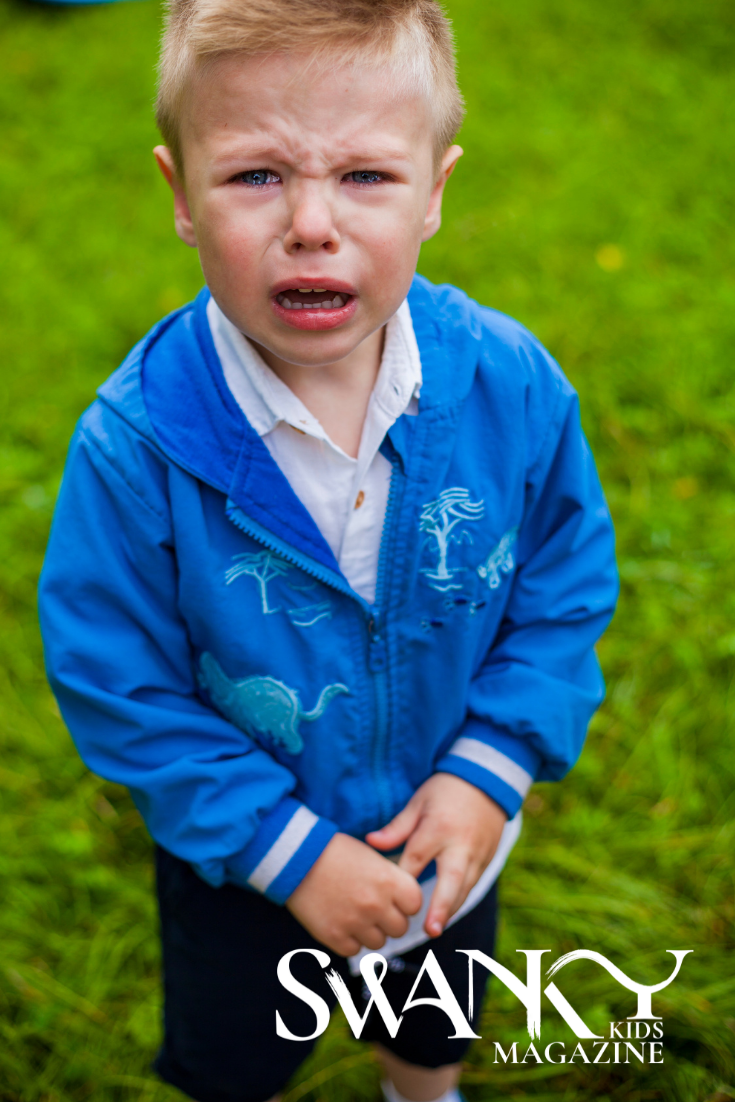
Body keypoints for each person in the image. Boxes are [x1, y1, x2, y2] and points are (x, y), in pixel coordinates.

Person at [38, 1, 618, 1100]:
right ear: (178, 193)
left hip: (444, 815)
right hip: (241, 857)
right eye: (256, 175)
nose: (312, 223)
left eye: (366, 177)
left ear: (438, 190)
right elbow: (118, 679)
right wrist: (285, 852)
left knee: (434, 1012)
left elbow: (561, 583)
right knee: (238, 1057)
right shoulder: (137, 445)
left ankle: (422, 1091)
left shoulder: (511, 387)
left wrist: (491, 764)